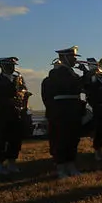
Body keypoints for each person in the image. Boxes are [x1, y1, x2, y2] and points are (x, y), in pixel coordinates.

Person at [43, 46, 85, 178]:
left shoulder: (72, 73)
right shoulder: (56, 72)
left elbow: (81, 88)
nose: (75, 60)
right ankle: (61, 168)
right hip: (62, 110)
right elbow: (69, 84)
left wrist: (89, 76)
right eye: (72, 57)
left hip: (73, 108)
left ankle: (71, 165)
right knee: (62, 139)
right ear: (64, 57)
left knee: (73, 138)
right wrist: (87, 75)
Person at [0, 57, 29, 176]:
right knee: (0, 140)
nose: (11, 68)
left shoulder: (18, 78)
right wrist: (8, 101)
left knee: (15, 139)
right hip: (1, 114)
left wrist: (23, 96)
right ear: (1, 66)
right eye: (8, 65)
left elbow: (24, 91)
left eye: (13, 65)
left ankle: (12, 162)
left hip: (16, 114)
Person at [82, 58, 102, 161]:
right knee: (99, 130)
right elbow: (89, 89)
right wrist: (89, 73)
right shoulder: (93, 79)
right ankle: (98, 151)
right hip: (99, 107)